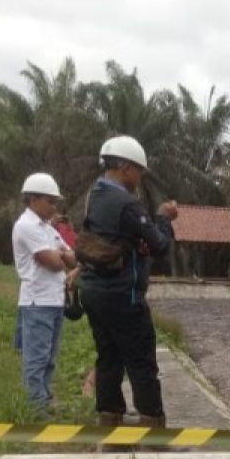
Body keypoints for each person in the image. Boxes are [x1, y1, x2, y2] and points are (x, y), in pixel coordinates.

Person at [78, 136, 178, 429]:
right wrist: (162, 218)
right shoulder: (126, 204)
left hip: (93, 291)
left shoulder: (93, 196)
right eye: (138, 170)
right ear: (124, 167)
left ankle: (109, 421)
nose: (141, 176)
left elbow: (116, 237)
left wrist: (137, 242)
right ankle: (153, 426)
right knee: (141, 361)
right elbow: (159, 245)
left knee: (108, 358)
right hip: (124, 295)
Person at [12, 173, 76, 410]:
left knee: (49, 356)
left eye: (55, 202)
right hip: (37, 301)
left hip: (54, 299)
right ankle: (35, 406)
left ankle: (44, 399)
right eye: (50, 201)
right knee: (36, 357)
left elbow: (72, 257)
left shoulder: (48, 229)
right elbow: (55, 261)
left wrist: (61, 254)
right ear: (33, 199)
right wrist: (60, 254)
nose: (54, 206)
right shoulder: (26, 226)